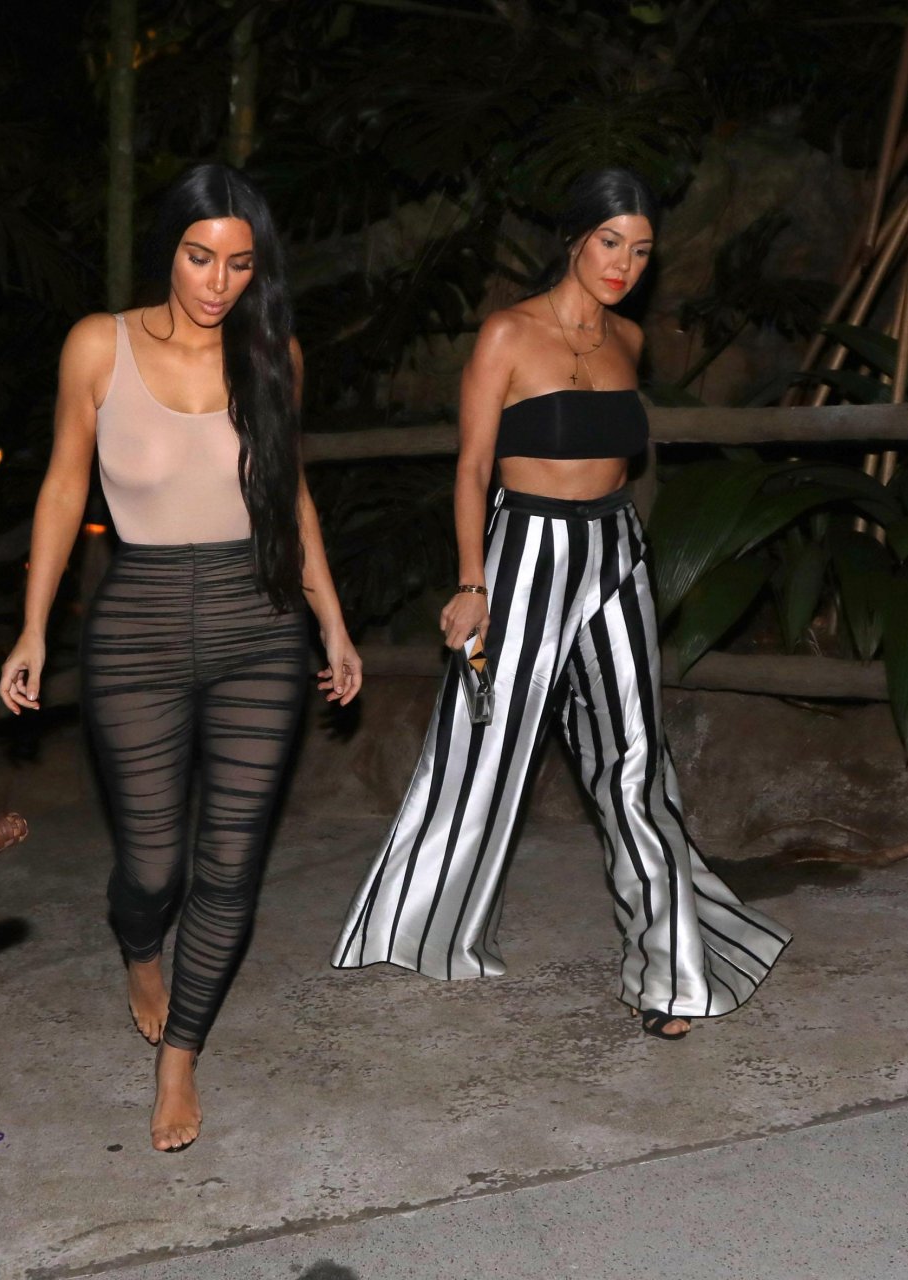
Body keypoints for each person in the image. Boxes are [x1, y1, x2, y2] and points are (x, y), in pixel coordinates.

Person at [331, 168, 789, 1038]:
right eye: (610, 242)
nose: (623, 264)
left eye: (641, 250)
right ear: (575, 237)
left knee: (635, 757)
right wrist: (472, 582)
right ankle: (419, 926)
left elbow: (622, 466)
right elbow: (471, 466)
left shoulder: (627, 339)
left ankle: (670, 971)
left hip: (613, 554)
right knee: (482, 743)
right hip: (522, 553)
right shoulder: (507, 333)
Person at [0, 163, 361, 1150]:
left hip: (260, 623)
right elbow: (62, 489)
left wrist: (332, 622)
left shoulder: (273, 354)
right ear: (170, 247)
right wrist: (32, 627)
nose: (217, 282)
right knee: (152, 866)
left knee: (231, 865)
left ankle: (181, 1058)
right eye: (200, 257)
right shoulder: (99, 345)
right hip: (139, 627)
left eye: (239, 265)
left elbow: (293, 497)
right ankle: (138, 947)